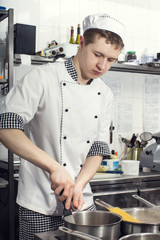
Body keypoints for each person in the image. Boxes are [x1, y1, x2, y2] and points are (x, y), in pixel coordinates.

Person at [0, 13, 125, 240]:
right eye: (97, 54)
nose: (102, 65)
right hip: (39, 203)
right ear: (82, 43)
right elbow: (6, 128)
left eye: (111, 60)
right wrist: (54, 168)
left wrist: (79, 184)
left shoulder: (105, 93)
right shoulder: (42, 77)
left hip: (81, 202)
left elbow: (98, 147)